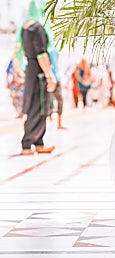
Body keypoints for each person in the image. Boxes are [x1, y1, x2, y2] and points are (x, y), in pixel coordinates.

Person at [16, 0, 56, 155]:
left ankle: (39, 142)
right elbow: (41, 53)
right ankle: (27, 143)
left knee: (37, 105)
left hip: (31, 70)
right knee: (38, 106)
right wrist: (49, 75)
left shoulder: (24, 28)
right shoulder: (37, 28)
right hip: (39, 72)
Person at [48, 48, 66, 129]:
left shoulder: (54, 50)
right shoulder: (50, 50)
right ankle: (57, 122)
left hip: (55, 77)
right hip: (52, 78)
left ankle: (59, 123)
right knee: (52, 100)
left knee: (58, 100)